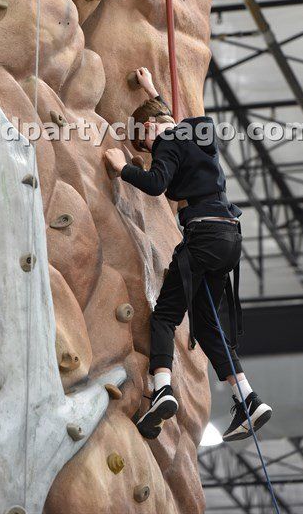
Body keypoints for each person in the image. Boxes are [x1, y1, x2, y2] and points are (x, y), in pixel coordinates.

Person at [104, 67, 272, 442]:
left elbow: (156, 183)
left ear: (149, 129)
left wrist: (123, 168)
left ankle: (162, 389)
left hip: (204, 236)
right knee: (208, 325)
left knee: (165, 316)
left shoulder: (166, 141)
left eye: (144, 144)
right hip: (228, 237)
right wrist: (152, 90)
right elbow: (166, 120)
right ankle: (248, 397)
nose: (149, 151)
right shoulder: (194, 134)